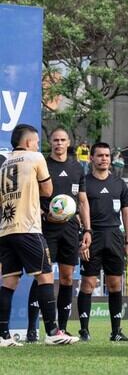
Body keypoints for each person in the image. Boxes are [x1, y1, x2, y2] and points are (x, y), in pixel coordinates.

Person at [0, 124, 78, 346]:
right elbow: (48, 191)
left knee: (8, 282)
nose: (37, 145)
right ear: (27, 143)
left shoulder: (3, 165)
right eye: (35, 142)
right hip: (29, 228)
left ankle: (2, 335)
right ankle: (53, 331)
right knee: (44, 276)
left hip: (6, 230)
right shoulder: (35, 158)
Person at [26, 127, 82, 341]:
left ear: (68, 142)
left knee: (67, 277)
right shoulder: (42, 164)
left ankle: (63, 327)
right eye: (55, 140)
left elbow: (82, 200)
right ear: (51, 142)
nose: (59, 143)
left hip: (70, 229)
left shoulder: (77, 168)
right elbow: (32, 195)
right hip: (46, 227)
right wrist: (43, 213)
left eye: (62, 140)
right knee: (42, 276)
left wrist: (87, 228)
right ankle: (32, 328)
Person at [77, 142, 128, 342]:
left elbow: (126, 212)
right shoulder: (84, 182)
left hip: (115, 237)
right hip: (93, 237)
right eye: (100, 155)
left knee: (115, 283)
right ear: (91, 158)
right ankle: (84, 330)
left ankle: (116, 331)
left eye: (107, 155)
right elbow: (79, 212)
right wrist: (82, 238)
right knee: (88, 284)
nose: (104, 159)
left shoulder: (119, 183)